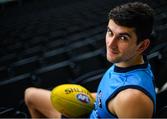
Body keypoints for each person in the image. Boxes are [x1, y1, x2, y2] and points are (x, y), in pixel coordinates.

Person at [24, 1, 156, 118]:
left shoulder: (132, 99)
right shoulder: (128, 61)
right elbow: (108, 99)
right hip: (92, 111)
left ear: (142, 45)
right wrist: (80, 99)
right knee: (30, 95)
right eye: (110, 32)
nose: (110, 44)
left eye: (123, 38)